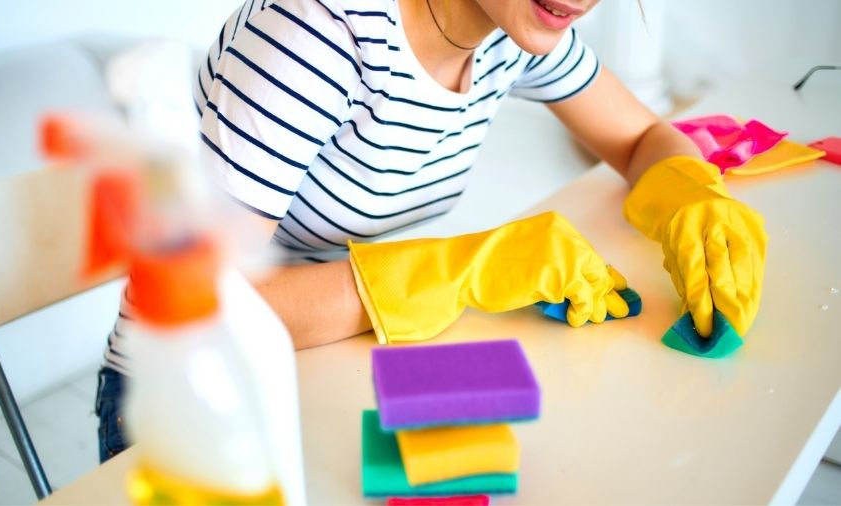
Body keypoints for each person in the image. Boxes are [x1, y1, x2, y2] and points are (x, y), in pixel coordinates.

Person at [96, 0, 767, 461]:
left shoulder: (510, 29)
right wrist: (458, 270)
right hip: (186, 402)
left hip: (329, 364)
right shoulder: (322, 29)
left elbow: (644, 134)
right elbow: (193, 310)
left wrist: (690, 194)